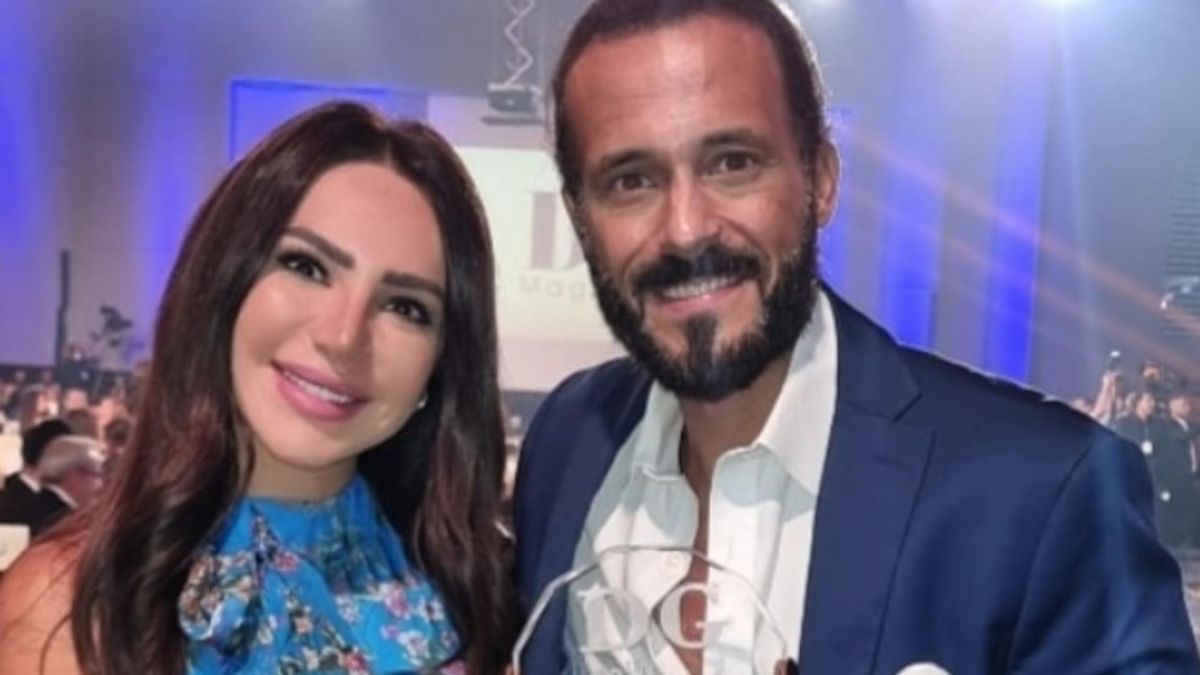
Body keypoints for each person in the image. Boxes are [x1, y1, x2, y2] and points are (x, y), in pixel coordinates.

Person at [512, 0, 1199, 672]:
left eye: (731, 162)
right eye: (631, 181)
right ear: (580, 217)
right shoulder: (568, 440)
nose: (686, 230)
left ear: (820, 179)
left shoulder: (1045, 491)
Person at [0, 102, 514, 674]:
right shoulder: (68, 603)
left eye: (405, 307)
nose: (344, 337)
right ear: (224, 279)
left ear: (442, 363)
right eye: (307, 267)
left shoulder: (469, 581)